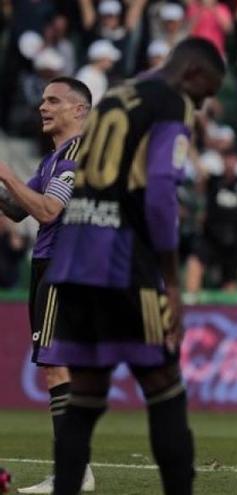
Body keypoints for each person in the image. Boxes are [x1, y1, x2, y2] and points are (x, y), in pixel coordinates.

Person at [38, 38, 225, 495]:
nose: (200, 105)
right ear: (194, 74)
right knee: (165, 385)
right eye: (205, 93)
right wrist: (172, 280)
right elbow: (160, 187)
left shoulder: (118, 94)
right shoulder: (171, 102)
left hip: (74, 260)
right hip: (122, 261)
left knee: (84, 392)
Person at [0, 76, 96, 494]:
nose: (43, 106)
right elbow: (17, 209)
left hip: (64, 266)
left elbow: (48, 212)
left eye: (54, 100)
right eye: (42, 100)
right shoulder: (52, 159)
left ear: (79, 110)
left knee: (57, 366)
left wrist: (6, 172)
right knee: (58, 366)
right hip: (50, 264)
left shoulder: (76, 155)